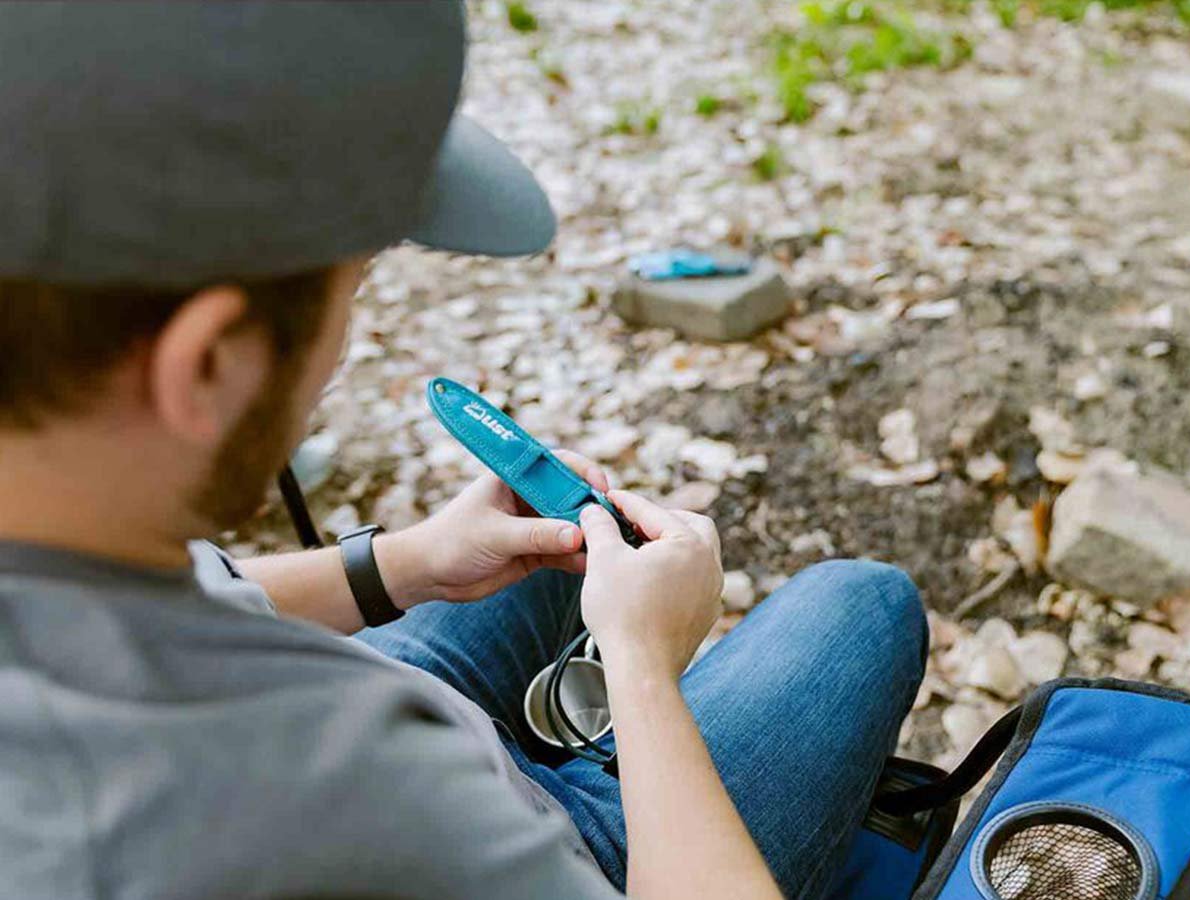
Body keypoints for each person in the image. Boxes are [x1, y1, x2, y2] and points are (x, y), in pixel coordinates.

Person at [0, 3, 927, 898]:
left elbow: (200, 598)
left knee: (564, 540)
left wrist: (405, 566)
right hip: (530, 841)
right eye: (356, 285)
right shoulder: (332, 779)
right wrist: (642, 667)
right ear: (208, 365)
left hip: (404, 709)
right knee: (863, 605)